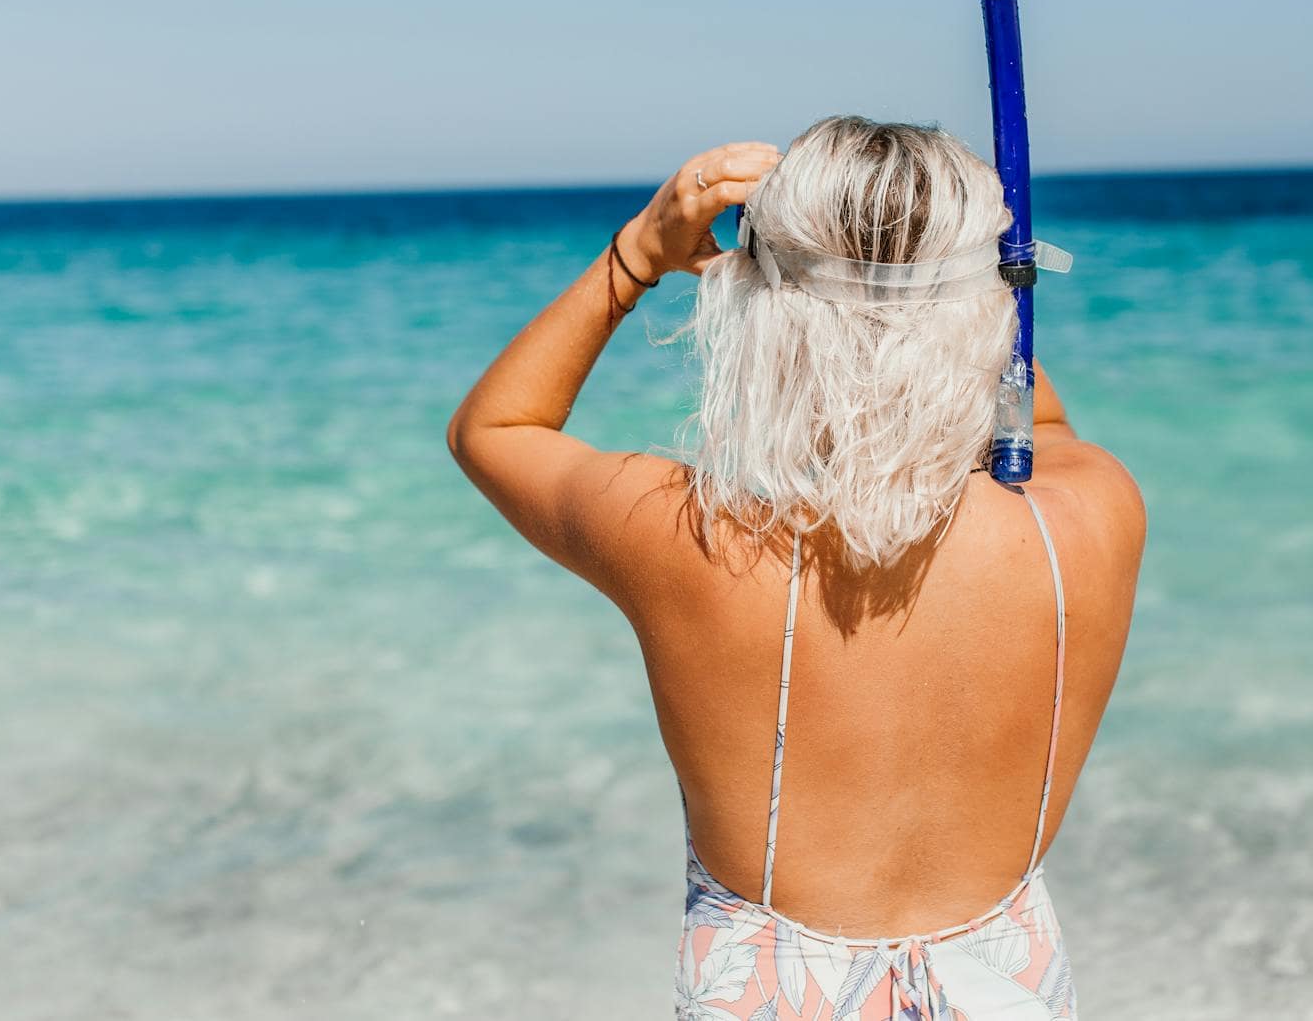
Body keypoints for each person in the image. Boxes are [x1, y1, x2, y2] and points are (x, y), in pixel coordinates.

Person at [448, 117, 1144, 1018]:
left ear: (766, 319)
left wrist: (639, 253)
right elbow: (1037, 423)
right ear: (987, 308)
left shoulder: (697, 544)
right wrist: (956, 287)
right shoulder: (1088, 515)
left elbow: (496, 429)